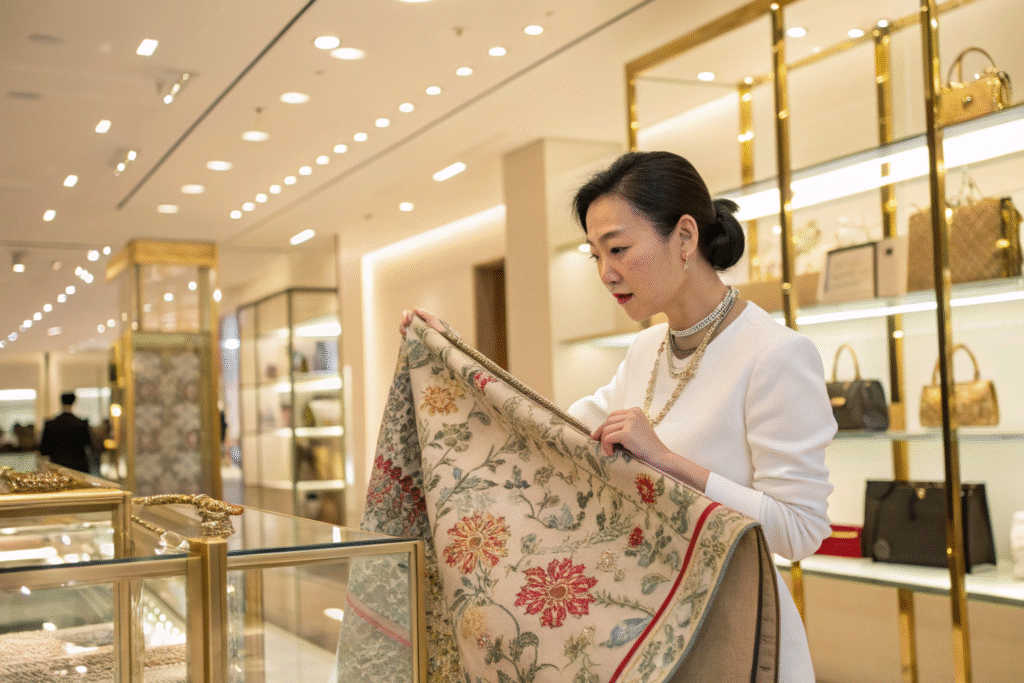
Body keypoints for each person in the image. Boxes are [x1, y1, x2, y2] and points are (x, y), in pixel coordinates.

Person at [398, 150, 836, 682]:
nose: (607, 273)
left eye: (619, 249)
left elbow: (800, 530)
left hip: (736, 635)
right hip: (652, 631)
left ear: (685, 237)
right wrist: (455, 361)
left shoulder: (776, 355)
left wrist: (668, 462)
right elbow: (549, 432)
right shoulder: (648, 348)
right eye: (596, 256)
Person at [39, 391, 94, 474]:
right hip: (78, 468)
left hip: (57, 466)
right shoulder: (82, 423)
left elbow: (44, 450)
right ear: (74, 402)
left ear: (61, 402)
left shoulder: (50, 423)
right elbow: (89, 445)